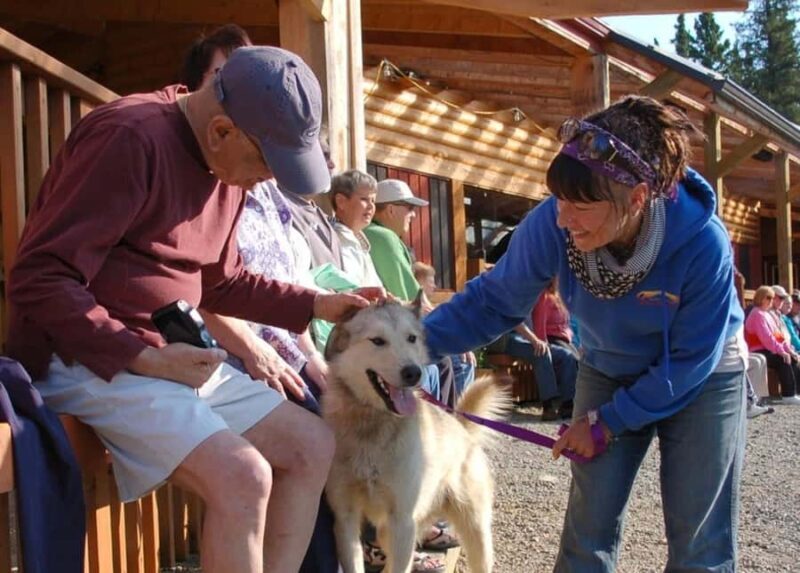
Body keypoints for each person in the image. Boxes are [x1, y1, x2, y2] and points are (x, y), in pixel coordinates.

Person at [7, 46, 380, 573]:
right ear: (222, 131)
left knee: (311, 444)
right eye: (266, 162)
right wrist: (142, 356)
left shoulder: (225, 169)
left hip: (167, 357)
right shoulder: (128, 138)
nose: (268, 181)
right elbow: (40, 278)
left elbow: (220, 281)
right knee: (243, 474)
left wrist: (319, 304)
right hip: (85, 355)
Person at [423, 96, 747, 572]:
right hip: (608, 363)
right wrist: (413, 348)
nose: (562, 218)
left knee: (699, 536)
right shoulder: (551, 226)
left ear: (636, 198)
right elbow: (493, 302)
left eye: (580, 205)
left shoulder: (703, 241)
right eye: (559, 201)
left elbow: (692, 359)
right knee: (588, 524)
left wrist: (608, 422)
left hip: (704, 375)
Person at [506, 279, 578, 421]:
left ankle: (568, 403)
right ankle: (548, 405)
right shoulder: (513, 289)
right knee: (542, 353)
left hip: (531, 338)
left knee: (567, 356)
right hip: (511, 337)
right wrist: (535, 340)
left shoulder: (537, 291)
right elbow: (514, 321)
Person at [745, 285, 800, 404]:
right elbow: (767, 338)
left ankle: (793, 392)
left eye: (772, 298)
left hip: (768, 349)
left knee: (792, 358)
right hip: (757, 350)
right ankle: (788, 395)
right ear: (761, 298)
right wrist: (782, 352)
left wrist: (789, 350)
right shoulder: (757, 314)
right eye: (768, 298)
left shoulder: (768, 315)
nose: (771, 301)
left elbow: (778, 336)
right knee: (782, 359)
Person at [330, 169, 383, 287]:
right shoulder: (330, 238)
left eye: (373, 201)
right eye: (364, 199)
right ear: (341, 202)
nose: (371, 206)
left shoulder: (360, 243)